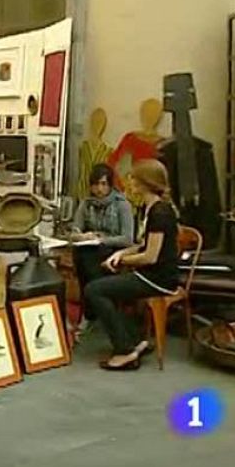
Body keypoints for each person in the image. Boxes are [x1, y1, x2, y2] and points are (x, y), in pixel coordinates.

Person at [84, 159, 181, 371]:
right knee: (102, 284)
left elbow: (150, 256)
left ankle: (125, 350)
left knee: (94, 290)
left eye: (134, 180)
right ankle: (134, 339)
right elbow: (141, 245)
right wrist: (121, 253)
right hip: (150, 274)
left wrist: (122, 261)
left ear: (144, 183)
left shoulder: (160, 213)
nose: (130, 184)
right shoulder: (150, 208)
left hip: (158, 279)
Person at [70, 163, 134, 334]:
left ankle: (93, 311)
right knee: (81, 254)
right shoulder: (86, 203)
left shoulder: (122, 204)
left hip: (114, 249)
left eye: (104, 184)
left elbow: (128, 239)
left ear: (110, 185)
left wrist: (102, 240)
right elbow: (74, 232)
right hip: (89, 248)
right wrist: (83, 236)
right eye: (96, 184)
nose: (99, 189)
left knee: (90, 261)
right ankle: (93, 309)